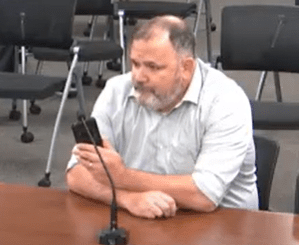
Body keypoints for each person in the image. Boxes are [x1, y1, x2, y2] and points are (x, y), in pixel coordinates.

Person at [66, 16, 258, 219]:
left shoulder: (225, 101)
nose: (139, 77)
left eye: (153, 67)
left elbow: (204, 195)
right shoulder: (117, 91)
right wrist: (127, 199)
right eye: (135, 64)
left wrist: (121, 177)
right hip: (146, 218)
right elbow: (77, 173)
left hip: (224, 224)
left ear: (186, 68)